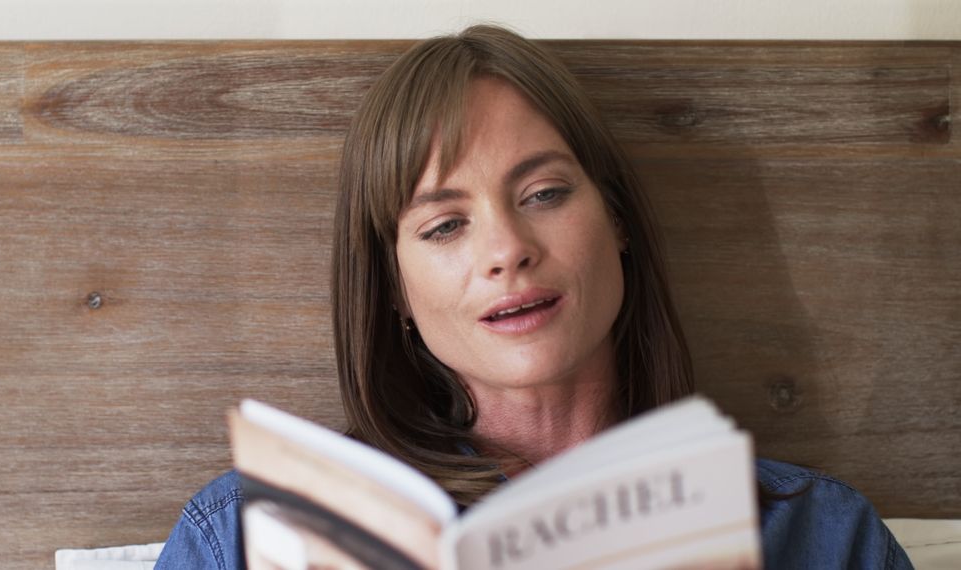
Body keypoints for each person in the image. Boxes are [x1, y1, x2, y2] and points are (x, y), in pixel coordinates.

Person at [155, 25, 912, 569]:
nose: (506, 249)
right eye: (445, 225)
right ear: (394, 290)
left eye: (544, 193)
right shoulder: (247, 540)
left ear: (617, 219)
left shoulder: (824, 538)